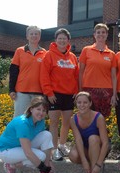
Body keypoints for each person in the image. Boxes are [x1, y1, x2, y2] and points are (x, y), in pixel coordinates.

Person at [0, 96, 60, 173]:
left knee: (47, 135)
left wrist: (49, 162)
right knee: (41, 156)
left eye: (44, 110)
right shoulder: (23, 123)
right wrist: (44, 168)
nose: (41, 113)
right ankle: (12, 165)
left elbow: (43, 145)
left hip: (21, 145)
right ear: (31, 109)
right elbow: (28, 153)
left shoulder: (40, 121)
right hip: (6, 151)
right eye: (38, 109)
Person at [40, 28, 79, 161]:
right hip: (54, 95)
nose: (62, 41)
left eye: (64, 38)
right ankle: (54, 150)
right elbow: (44, 76)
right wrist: (49, 93)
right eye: (59, 38)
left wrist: (76, 90)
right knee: (54, 123)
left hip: (69, 95)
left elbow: (76, 75)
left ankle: (62, 145)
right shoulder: (49, 55)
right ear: (55, 40)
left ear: (68, 41)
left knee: (67, 122)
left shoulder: (73, 57)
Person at [69, 92, 109, 173]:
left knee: (93, 138)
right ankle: (90, 165)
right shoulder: (73, 119)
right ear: (76, 103)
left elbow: (105, 143)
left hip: (99, 146)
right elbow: (78, 140)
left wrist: (98, 165)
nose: (82, 105)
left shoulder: (98, 117)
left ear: (90, 103)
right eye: (79, 102)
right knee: (73, 155)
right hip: (86, 147)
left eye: (85, 102)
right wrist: (84, 161)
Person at [78, 23, 117, 118]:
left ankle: (101, 133)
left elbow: (114, 76)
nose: (101, 34)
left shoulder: (111, 54)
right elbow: (80, 72)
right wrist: (80, 90)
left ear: (107, 35)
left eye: (103, 32)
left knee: (103, 119)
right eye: (98, 32)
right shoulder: (86, 50)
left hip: (106, 91)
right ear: (94, 35)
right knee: (87, 118)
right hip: (88, 89)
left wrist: (114, 94)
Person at [9, 25, 46, 117]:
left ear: (39, 36)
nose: (34, 36)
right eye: (31, 34)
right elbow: (13, 71)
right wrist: (11, 89)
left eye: (36, 34)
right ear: (27, 36)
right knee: (20, 119)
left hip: (39, 92)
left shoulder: (45, 53)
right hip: (22, 91)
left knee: (37, 119)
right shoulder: (20, 51)